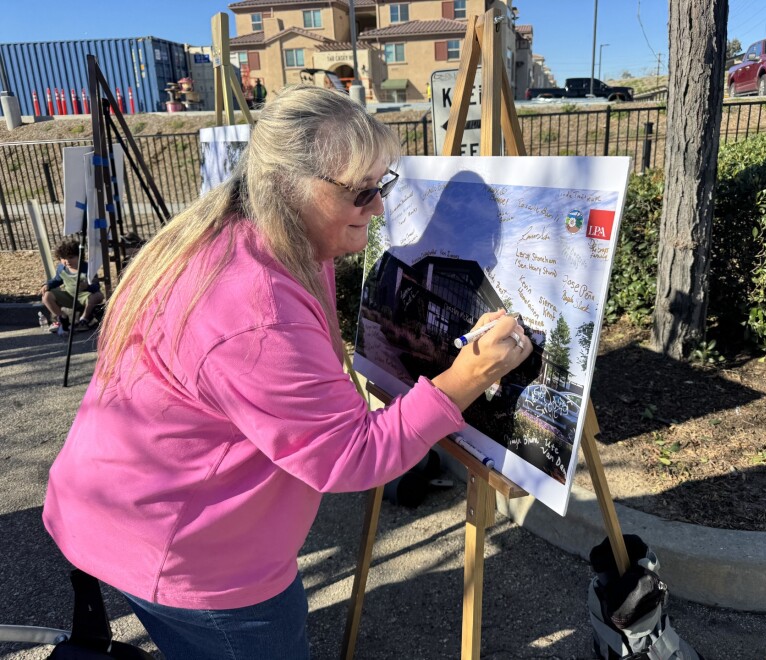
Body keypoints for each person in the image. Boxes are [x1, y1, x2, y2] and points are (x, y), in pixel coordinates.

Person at [42, 84, 531, 660]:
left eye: (385, 185)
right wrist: (470, 375)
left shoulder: (251, 234)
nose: (379, 207)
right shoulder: (257, 308)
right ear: (287, 186)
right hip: (188, 554)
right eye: (363, 191)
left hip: (129, 507)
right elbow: (351, 456)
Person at [39, 236, 103, 333]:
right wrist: (47, 285)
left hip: (85, 297)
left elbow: (96, 286)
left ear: (79, 256)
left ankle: (84, 319)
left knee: (98, 295)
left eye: (71, 257)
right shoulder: (62, 268)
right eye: (63, 258)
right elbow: (57, 280)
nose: (67, 261)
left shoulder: (87, 268)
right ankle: (61, 317)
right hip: (69, 297)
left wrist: (88, 286)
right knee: (46, 296)